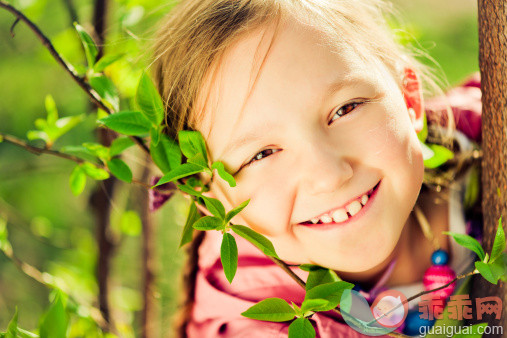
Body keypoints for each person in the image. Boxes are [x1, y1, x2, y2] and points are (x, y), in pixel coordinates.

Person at [150, 0, 483, 336]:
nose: (329, 175)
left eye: (345, 109)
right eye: (262, 154)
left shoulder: (485, 138)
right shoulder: (248, 326)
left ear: (409, 99)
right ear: (211, 200)